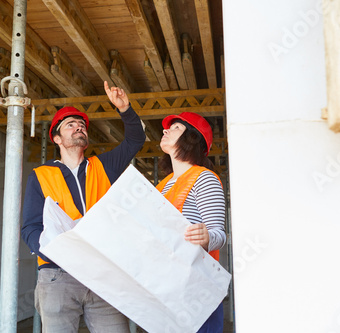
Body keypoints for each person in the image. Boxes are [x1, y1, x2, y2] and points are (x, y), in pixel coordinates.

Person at [21, 81, 145, 332]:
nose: (79, 127)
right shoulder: (41, 175)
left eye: (82, 125)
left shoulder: (103, 166)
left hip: (102, 274)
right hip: (57, 274)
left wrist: (125, 109)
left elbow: (135, 140)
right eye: (71, 124)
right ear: (56, 138)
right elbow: (30, 227)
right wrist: (50, 250)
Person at [155, 112, 226, 333]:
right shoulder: (162, 185)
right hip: (167, 286)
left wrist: (207, 237)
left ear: (192, 139)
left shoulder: (204, 178)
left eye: (175, 128)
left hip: (196, 288)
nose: (165, 130)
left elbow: (219, 234)